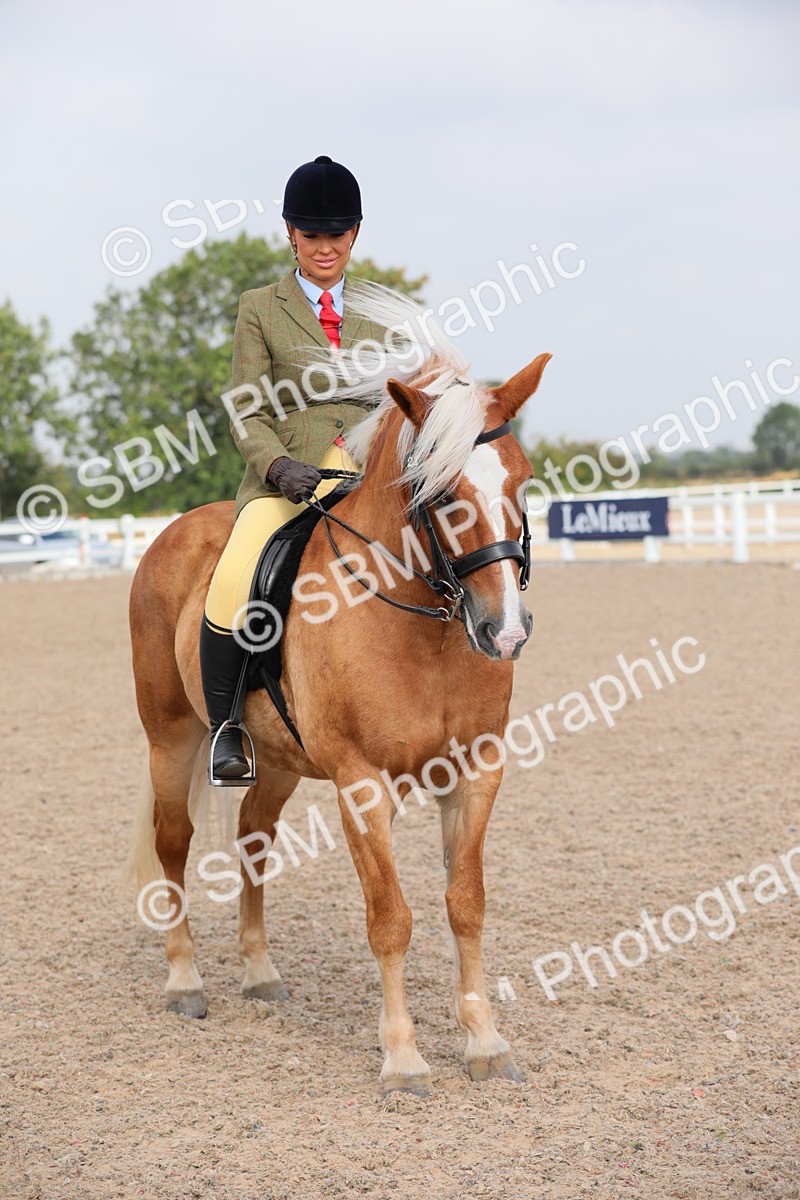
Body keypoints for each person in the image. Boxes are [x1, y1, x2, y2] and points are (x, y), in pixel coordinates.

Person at [200, 155, 384, 783]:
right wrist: (278, 466)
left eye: (337, 235)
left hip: (362, 478)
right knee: (236, 569)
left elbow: (398, 402)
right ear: (290, 233)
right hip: (286, 479)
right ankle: (228, 726)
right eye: (312, 236)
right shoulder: (260, 307)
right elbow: (245, 407)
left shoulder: (380, 313)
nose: (325, 248)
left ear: (354, 235)